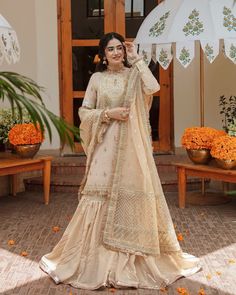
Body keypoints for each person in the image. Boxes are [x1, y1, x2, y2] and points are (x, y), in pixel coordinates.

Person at [40, 32, 200, 290]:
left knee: (131, 195)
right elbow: (84, 111)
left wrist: (137, 60)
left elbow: (154, 88)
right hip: (106, 146)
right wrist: (108, 113)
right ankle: (95, 262)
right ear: (103, 55)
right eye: (111, 49)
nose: (116, 53)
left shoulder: (135, 74)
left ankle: (131, 258)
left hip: (131, 149)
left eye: (119, 49)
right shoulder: (97, 79)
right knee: (99, 197)